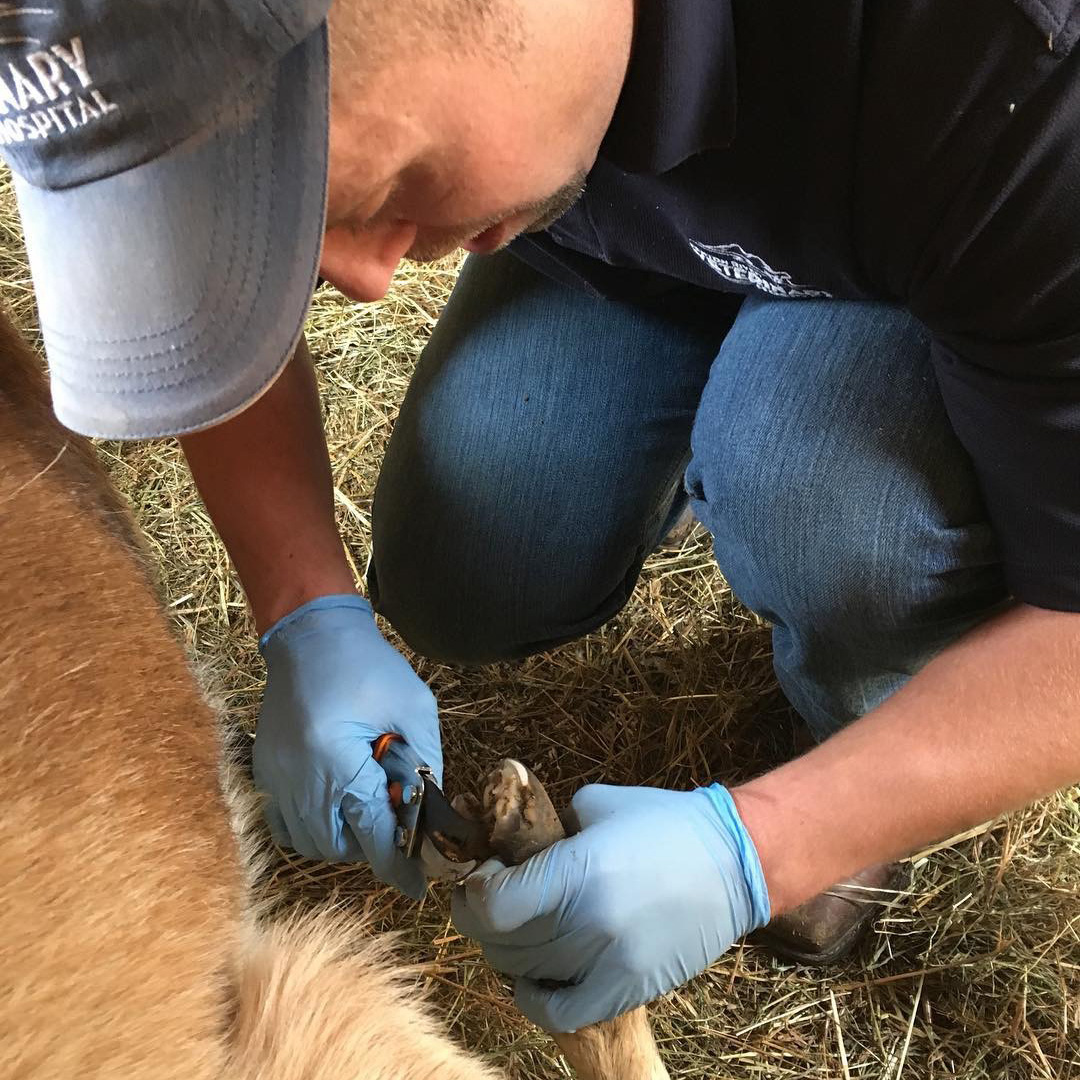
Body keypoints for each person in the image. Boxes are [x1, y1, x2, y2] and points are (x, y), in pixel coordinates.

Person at [3, 0, 1079, 1037]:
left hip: (942, 216)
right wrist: (304, 605)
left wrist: (769, 842)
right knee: (470, 551)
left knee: (814, 491)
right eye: (292, 222)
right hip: (639, 199)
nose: (365, 279)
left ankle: (857, 712)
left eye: (384, 189)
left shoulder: (1013, 62)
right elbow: (206, 294)